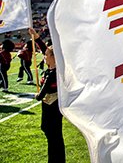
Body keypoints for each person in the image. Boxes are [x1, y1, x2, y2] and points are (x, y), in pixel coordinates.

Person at [31, 28, 65, 163]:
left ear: (53, 58)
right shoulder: (52, 68)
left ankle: (57, 160)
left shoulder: (53, 73)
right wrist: (36, 37)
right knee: (51, 133)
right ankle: (56, 159)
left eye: (46, 55)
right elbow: (46, 49)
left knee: (53, 135)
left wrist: (36, 96)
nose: (44, 57)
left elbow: (41, 94)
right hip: (49, 104)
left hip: (53, 106)